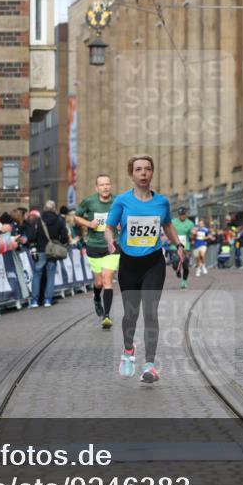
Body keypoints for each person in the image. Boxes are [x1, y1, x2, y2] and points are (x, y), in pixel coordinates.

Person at [104, 154, 186, 384]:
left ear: (152, 173)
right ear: (132, 174)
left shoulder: (162, 202)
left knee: (150, 312)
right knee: (131, 314)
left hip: (153, 263)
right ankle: (129, 349)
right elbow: (109, 227)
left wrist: (178, 245)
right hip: (129, 264)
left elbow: (167, 225)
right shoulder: (121, 201)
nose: (143, 173)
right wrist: (111, 241)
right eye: (138, 169)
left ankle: (150, 365)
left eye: (147, 169)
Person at [74, 174, 119, 329]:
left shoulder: (117, 201)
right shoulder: (89, 201)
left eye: (107, 184)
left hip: (111, 246)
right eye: (102, 185)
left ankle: (106, 316)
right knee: (99, 282)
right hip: (93, 246)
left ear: (110, 186)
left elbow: (127, 217)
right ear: (97, 188)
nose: (105, 187)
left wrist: (121, 224)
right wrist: (88, 223)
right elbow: (76, 217)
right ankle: (96, 298)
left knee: (107, 280)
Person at [24, 200, 69, 308]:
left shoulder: (38, 220)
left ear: (44, 208)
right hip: (52, 252)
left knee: (36, 275)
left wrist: (33, 247)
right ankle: (48, 300)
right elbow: (64, 237)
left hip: (40, 250)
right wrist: (59, 242)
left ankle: (34, 301)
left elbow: (32, 236)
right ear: (54, 209)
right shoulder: (59, 221)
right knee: (50, 276)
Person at [171, 207, 196, 288]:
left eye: (183, 215)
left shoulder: (190, 223)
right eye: (180, 215)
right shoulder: (173, 222)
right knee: (175, 262)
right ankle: (177, 270)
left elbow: (192, 235)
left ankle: (184, 282)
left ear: (186, 215)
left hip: (186, 247)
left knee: (185, 265)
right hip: (174, 246)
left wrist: (193, 234)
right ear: (178, 215)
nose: (182, 216)